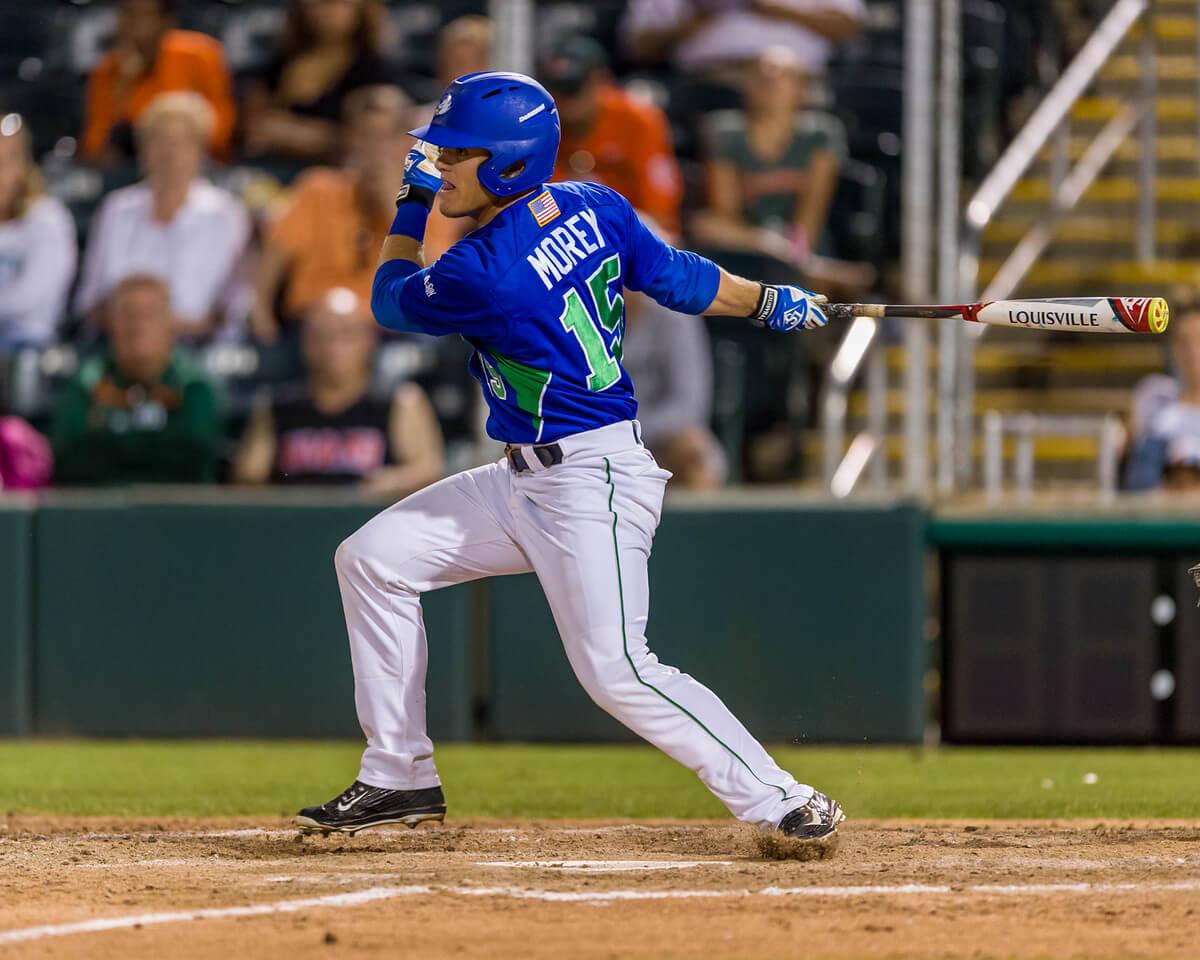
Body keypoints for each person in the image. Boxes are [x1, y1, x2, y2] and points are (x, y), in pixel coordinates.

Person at [294, 72, 845, 855]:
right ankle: (399, 773)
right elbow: (680, 278)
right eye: (439, 154)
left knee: (616, 667)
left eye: (456, 155)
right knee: (373, 559)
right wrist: (765, 299)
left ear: (510, 164)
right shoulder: (595, 203)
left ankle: (784, 798)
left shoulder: (479, 272)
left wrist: (409, 204)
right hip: (520, 478)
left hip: (590, 478)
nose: (438, 165)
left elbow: (388, 297)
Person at [74, 92, 251, 341]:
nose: (170, 154)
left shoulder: (226, 213)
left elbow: (235, 303)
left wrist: (165, 330)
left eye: (182, 142)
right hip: (122, 344)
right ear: (143, 150)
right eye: (159, 141)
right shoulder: (116, 209)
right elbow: (91, 299)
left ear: (201, 150)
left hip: (199, 346)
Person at [234, 287, 444, 494]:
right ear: (304, 343)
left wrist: (393, 481)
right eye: (322, 335)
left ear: (368, 341)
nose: (333, 347)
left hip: (369, 519)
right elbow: (249, 477)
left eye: (347, 334)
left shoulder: (399, 401)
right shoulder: (278, 405)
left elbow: (428, 469)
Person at [252, 85, 410, 345]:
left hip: (384, 334)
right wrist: (261, 314)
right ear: (351, 141)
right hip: (311, 327)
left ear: (405, 143)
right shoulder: (317, 188)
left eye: (385, 138)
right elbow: (273, 259)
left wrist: (392, 203)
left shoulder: (431, 204)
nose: (375, 150)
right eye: (366, 137)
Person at [51, 274, 221, 486]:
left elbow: (192, 459)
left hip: (178, 512)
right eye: (128, 314)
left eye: (150, 314)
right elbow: (71, 460)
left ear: (170, 322)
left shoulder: (193, 384)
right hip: (98, 510)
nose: (138, 325)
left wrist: (111, 443)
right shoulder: (87, 382)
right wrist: (157, 444)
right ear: (111, 322)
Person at [693, 46, 845, 269]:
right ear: (747, 85)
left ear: (802, 89)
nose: (771, 81)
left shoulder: (822, 133)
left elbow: (811, 214)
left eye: (784, 76)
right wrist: (766, 243)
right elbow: (725, 210)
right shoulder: (723, 130)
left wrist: (796, 255)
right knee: (705, 226)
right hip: (745, 243)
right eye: (761, 75)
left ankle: (811, 272)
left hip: (804, 246)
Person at [541, 35, 683, 237]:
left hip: (634, 230)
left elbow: (661, 210)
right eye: (558, 89)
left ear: (601, 80)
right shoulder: (544, 123)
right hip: (567, 237)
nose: (566, 101)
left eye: (574, 90)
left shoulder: (638, 120)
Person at [80, 0, 236, 165]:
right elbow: (95, 144)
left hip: (198, 166)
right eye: (127, 13)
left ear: (166, 21)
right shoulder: (106, 71)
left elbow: (222, 129)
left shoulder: (201, 56)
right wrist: (125, 85)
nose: (133, 23)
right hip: (134, 170)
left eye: (145, 15)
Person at [241, 0, 391, 163]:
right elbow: (254, 128)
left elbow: (360, 142)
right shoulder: (284, 60)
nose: (327, 11)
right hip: (269, 167)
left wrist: (292, 134)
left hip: (332, 174)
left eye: (336, 3)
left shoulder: (372, 68)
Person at [621, 292, 724, 489]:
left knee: (693, 450)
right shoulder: (576, 316)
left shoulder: (674, 316)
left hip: (655, 439)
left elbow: (688, 408)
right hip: (591, 442)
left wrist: (626, 430)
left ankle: (699, 521)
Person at [621, 0, 865, 81]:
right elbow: (637, 45)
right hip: (707, 79)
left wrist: (779, 10)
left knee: (775, 87)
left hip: (793, 80)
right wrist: (689, 26)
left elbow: (849, 25)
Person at [0, 114, 77, 349]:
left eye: (5, 162)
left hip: (26, 343)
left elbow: (30, 298)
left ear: (23, 164)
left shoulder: (48, 219)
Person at [1124, 296, 1200, 492]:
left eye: (1199, 340)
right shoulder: (1154, 397)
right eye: (1184, 342)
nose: (1192, 352)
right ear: (1173, 348)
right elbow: (1137, 482)